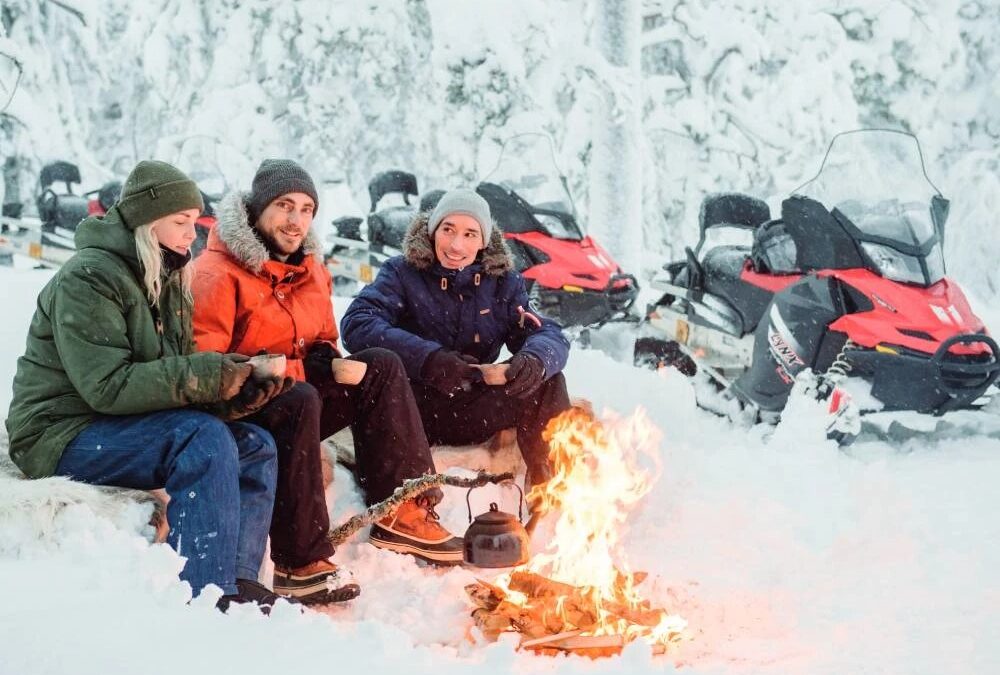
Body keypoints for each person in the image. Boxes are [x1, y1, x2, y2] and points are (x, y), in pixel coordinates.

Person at [5, 160, 291, 612]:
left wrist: (231, 398)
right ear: (144, 221)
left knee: (254, 444)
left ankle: (237, 578)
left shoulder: (168, 273)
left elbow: (166, 375)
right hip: (58, 432)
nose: (190, 233)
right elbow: (108, 387)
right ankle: (205, 593)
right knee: (202, 440)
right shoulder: (89, 277)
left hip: (116, 423)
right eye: (180, 222)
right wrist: (210, 376)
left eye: (194, 222)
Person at [191, 160, 464, 597]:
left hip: (294, 391)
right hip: (238, 405)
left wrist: (327, 362)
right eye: (284, 206)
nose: (296, 220)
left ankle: (403, 509)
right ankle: (299, 561)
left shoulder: (311, 268)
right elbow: (204, 367)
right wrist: (279, 372)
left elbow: (319, 341)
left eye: (306, 209)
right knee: (299, 399)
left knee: (381, 365)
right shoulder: (215, 273)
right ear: (259, 209)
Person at [340, 188, 572, 499]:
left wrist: (534, 361)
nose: (456, 244)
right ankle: (408, 503)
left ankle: (553, 484)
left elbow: (548, 333)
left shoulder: (503, 282)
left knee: (548, 379)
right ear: (433, 230)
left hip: (472, 406)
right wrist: (429, 360)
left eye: (469, 233)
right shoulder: (402, 272)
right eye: (448, 230)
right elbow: (359, 322)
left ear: (484, 241)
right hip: (410, 409)